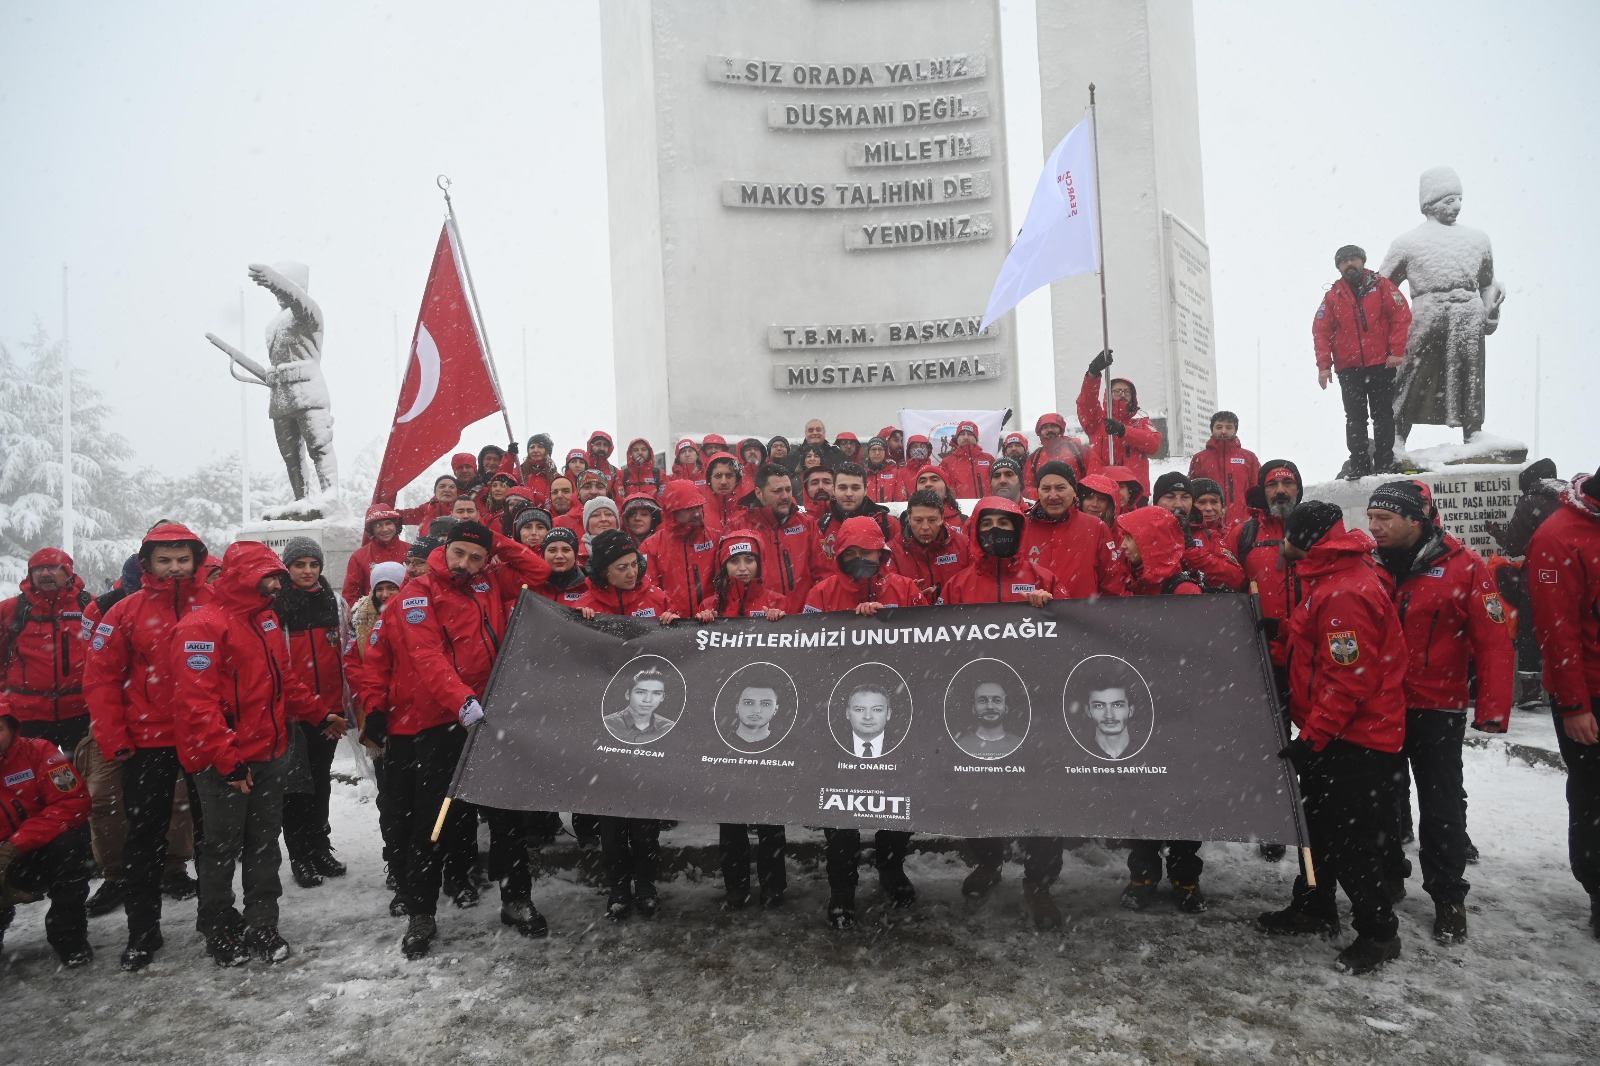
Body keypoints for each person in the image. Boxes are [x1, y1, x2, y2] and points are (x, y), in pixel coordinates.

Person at [172, 541, 346, 966]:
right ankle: (218, 925)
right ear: (243, 577)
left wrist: (319, 712)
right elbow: (197, 705)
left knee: (265, 844)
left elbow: (282, 678)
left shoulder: (266, 618)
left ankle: (262, 923)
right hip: (225, 761)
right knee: (220, 847)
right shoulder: (201, 627)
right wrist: (228, 760)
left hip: (270, 751)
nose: (277, 585)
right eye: (270, 577)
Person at [1259, 502, 1407, 975]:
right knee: (1317, 830)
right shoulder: (1329, 577)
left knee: (1351, 841)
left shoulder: (1344, 592)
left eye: (1288, 534)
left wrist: (1313, 738)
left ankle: (1379, 933)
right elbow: (1318, 642)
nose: (1282, 542)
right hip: (1336, 734)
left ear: (1304, 539)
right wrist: (1280, 632)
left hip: (1356, 739)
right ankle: (1314, 905)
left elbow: (1349, 679)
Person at [392, 521, 552, 957]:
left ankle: (516, 899)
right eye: (459, 553)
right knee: (433, 820)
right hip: (443, 720)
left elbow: (538, 572)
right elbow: (426, 654)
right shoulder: (418, 592)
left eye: (476, 557)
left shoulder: (489, 581)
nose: (465, 563)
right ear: (445, 549)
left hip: (494, 715)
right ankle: (421, 911)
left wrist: (495, 540)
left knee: (506, 816)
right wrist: (461, 701)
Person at [1367, 480, 1512, 941]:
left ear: (1415, 520)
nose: (1374, 527)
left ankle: (1448, 895)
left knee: (1441, 806)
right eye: (1371, 518)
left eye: (1384, 518)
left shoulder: (1464, 567)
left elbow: (1494, 640)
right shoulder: (1367, 563)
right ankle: (1389, 873)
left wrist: (1492, 708)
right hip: (1381, 706)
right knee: (1381, 800)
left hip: (1437, 708)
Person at [82, 523, 212, 970]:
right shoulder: (125, 611)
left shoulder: (216, 605)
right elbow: (100, 678)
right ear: (147, 564)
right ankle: (142, 930)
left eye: (182, 559)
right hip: (147, 742)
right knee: (144, 837)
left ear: (196, 560)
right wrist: (113, 738)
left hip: (205, 737)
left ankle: (215, 920)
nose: (175, 568)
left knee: (212, 835)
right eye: (165, 560)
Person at [942, 497, 1067, 929]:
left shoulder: (1043, 578)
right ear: (975, 531)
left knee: (1043, 797)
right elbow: (940, 642)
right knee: (976, 791)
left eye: (1005, 523)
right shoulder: (957, 584)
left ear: (1019, 529)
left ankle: (1040, 884)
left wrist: (1051, 609)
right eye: (987, 523)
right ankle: (988, 862)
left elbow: (1069, 639)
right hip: (977, 705)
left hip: (1033, 704)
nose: (996, 530)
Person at [576, 531, 679, 921]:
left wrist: (671, 623)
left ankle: (647, 885)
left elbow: (677, 649)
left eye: (634, 564)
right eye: (621, 568)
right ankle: (618, 887)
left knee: (645, 818)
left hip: (648, 722)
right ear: (603, 572)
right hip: (606, 724)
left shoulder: (656, 599)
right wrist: (581, 626)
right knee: (612, 818)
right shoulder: (585, 605)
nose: (631, 573)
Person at [1526, 464, 1600, 938]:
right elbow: (1558, 629)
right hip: (1590, 692)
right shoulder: (1558, 535)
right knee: (1594, 795)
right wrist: (1575, 704)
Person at [1381, 167, 1505, 444]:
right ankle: (1396, 436)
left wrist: (1491, 303)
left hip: (1468, 315)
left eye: (1459, 199)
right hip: (1427, 315)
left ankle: (1473, 432)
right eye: (1449, 200)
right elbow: (1383, 288)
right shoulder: (1407, 243)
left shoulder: (1478, 240)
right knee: (1411, 374)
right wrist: (1396, 320)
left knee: (1470, 377)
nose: (1457, 206)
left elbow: (1486, 284)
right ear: (1429, 203)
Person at [273, 538, 352, 891]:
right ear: (287, 568)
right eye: (299, 564)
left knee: (320, 782)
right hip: (293, 713)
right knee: (296, 790)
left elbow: (346, 653)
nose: (307, 571)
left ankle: (320, 846)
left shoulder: (333, 602)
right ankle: (300, 854)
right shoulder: (277, 605)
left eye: (313, 564)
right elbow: (279, 666)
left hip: (329, 711)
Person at [0, 703, 93, 967]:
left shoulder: (40, 751)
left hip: (35, 853)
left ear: (13, 728)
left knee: (70, 844)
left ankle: (68, 936)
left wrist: (14, 846)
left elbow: (73, 802)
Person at [822, 680, 916, 929]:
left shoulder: (904, 746)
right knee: (839, 823)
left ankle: (891, 871)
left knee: (900, 810)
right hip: (844, 794)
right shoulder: (831, 746)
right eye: (859, 709)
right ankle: (842, 890)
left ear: (888, 714)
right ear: (847, 713)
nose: (867, 716)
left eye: (876, 709)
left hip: (889, 791)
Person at [1312, 245, 1412, 478]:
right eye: (1344, 261)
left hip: (1381, 364)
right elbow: (1321, 331)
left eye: (1353, 259)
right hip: (1348, 368)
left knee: (1383, 415)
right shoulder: (1333, 296)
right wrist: (1324, 366)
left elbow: (1401, 315)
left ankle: (1385, 462)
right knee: (1355, 419)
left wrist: (1397, 351)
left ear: (1362, 261)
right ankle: (1359, 464)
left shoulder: (1382, 286)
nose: (1349, 264)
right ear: (1339, 267)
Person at [1, 547, 93, 754]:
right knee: (31, 770)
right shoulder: (11, 609)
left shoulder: (89, 606)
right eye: (37, 569)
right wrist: (5, 694)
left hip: (80, 712)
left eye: (52, 567)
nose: (44, 573)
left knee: (81, 770)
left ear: (68, 572)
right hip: (28, 714)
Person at [1229, 461, 1306, 689]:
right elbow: (1228, 582)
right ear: (1263, 491)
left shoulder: (1314, 529)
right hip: (1259, 655)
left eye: (1287, 483)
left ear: (1298, 489)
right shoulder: (1244, 533)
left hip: (1308, 653)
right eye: (1272, 484)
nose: (1280, 490)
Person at [718, 673, 790, 909]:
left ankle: (772, 885)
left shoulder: (783, 745)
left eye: (765, 703)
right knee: (731, 826)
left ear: (776, 709)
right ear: (736, 706)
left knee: (772, 827)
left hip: (770, 794)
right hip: (732, 791)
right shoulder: (722, 743)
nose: (756, 710)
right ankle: (736, 887)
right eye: (749, 702)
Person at [1019, 462, 1122, 599]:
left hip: (1082, 611)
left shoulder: (1096, 528)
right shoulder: (1022, 527)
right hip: (1032, 612)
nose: (1053, 495)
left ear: (1074, 492)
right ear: (1038, 492)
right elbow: (1009, 581)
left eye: (1060, 488)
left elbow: (1111, 584)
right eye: (1046, 489)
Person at [743, 463, 828, 614]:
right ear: (758, 493)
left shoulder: (807, 524)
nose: (785, 496)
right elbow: (731, 583)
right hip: (760, 618)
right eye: (777, 491)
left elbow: (824, 573)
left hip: (803, 617)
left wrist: (812, 607)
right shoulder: (739, 527)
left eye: (788, 490)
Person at [803, 516, 927, 616]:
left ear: (880, 552)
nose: (858, 559)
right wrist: (853, 620)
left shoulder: (906, 589)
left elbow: (926, 630)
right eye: (850, 554)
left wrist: (887, 617)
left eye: (866, 552)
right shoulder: (821, 593)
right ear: (841, 556)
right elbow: (807, 634)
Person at [1079, 350, 1161, 495]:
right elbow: (1087, 403)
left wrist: (1123, 431)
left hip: (1134, 492)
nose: (1122, 394)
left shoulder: (1142, 423)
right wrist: (1092, 375)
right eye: (1117, 391)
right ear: (1108, 395)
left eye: (1126, 391)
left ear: (1132, 396)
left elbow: (1153, 444)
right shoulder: (1097, 422)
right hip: (1100, 490)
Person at [1152, 472, 1243, 592]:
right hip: (1152, 603)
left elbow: (1237, 578)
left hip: (1199, 602)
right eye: (1170, 497)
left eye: (1185, 497)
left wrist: (1190, 551)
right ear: (1156, 502)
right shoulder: (1138, 532)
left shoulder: (1209, 535)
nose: (1178, 504)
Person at [640, 480, 718, 619]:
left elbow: (725, 584)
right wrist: (669, 612)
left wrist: (710, 608)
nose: (696, 514)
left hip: (710, 621)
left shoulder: (716, 539)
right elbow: (648, 590)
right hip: (671, 623)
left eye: (698, 507)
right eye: (688, 509)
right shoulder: (651, 546)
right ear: (672, 512)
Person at [897, 489, 971, 604]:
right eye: (918, 520)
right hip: (913, 615)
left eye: (932, 520)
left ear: (942, 518)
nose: (925, 527)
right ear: (909, 518)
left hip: (957, 614)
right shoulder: (893, 552)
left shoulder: (964, 545)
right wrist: (909, 598)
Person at [1187, 411, 1261, 524]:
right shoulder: (1199, 458)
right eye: (1219, 427)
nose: (1223, 431)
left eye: (1229, 427)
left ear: (1235, 430)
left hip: (1242, 523)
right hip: (1208, 523)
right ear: (1212, 429)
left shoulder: (1249, 458)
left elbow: (1257, 491)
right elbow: (1191, 492)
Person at [818, 462, 901, 562]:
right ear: (833, 490)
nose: (849, 493)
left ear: (865, 490)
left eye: (855, 488)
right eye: (842, 488)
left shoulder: (887, 524)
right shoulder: (823, 525)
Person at [696, 532, 785, 622]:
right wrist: (705, 622)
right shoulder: (709, 605)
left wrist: (778, 621)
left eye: (749, 560)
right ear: (724, 567)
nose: (742, 568)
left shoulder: (778, 601)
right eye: (734, 561)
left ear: (759, 565)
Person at [1184, 478, 1246, 592]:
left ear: (1222, 506)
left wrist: (1195, 556)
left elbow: (1236, 577)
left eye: (1214, 502)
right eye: (1202, 502)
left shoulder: (1233, 534)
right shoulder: (1182, 533)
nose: (1209, 508)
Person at [342, 505, 410, 605]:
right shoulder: (359, 557)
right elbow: (350, 595)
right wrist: (365, 612)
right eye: (378, 525)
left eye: (388, 523)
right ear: (371, 529)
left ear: (396, 525)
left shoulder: (411, 551)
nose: (385, 529)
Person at [602, 666, 677, 744]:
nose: (647, 700)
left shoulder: (669, 728)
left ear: (662, 697)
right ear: (628, 694)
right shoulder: (607, 724)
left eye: (656, 693)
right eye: (641, 692)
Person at [952, 680, 1024, 760]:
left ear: (1006, 708)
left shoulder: (1020, 745)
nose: (990, 707)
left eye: (997, 700)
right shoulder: (960, 746)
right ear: (973, 709)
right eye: (982, 701)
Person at [1024, 412, 1091, 492]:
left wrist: (1078, 494)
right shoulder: (1034, 457)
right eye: (1045, 427)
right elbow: (1028, 486)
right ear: (1040, 432)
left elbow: (1092, 477)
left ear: (1061, 429)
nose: (1049, 430)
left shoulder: (1078, 450)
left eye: (1053, 426)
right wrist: (1044, 496)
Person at [937, 420, 994, 499]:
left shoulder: (988, 459)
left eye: (970, 434)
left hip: (986, 505)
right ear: (957, 438)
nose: (966, 437)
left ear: (976, 438)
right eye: (962, 434)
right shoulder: (947, 462)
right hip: (958, 506)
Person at [395, 475, 460, 537]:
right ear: (435, 492)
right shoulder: (425, 511)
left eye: (451, 487)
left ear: (457, 492)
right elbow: (398, 516)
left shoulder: (463, 510)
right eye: (442, 486)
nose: (447, 490)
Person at [913, 467, 967, 537]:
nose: (928, 484)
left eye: (934, 480)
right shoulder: (904, 523)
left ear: (946, 489)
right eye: (922, 481)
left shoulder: (964, 522)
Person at [701, 452, 745, 531]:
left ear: (737, 480)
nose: (723, 482)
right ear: (709, 480)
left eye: (729, 475)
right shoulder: (700, 514)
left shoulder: (747, 512)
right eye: (718, 476)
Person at [862, 436, 904, 504]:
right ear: (868, 453)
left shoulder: (895, 473)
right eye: (873, 449)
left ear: (885, 452)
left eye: (880, 449)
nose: (877, 453)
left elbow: (900, 500)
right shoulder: (862, 474)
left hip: (889, 510)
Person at [519, 433, 559, 501]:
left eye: (540, 447)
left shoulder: (556, 478)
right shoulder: (519, 472)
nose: (535, 450)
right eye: (532, 447)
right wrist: (510, 456)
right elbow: (502, 481)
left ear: (547, 451)